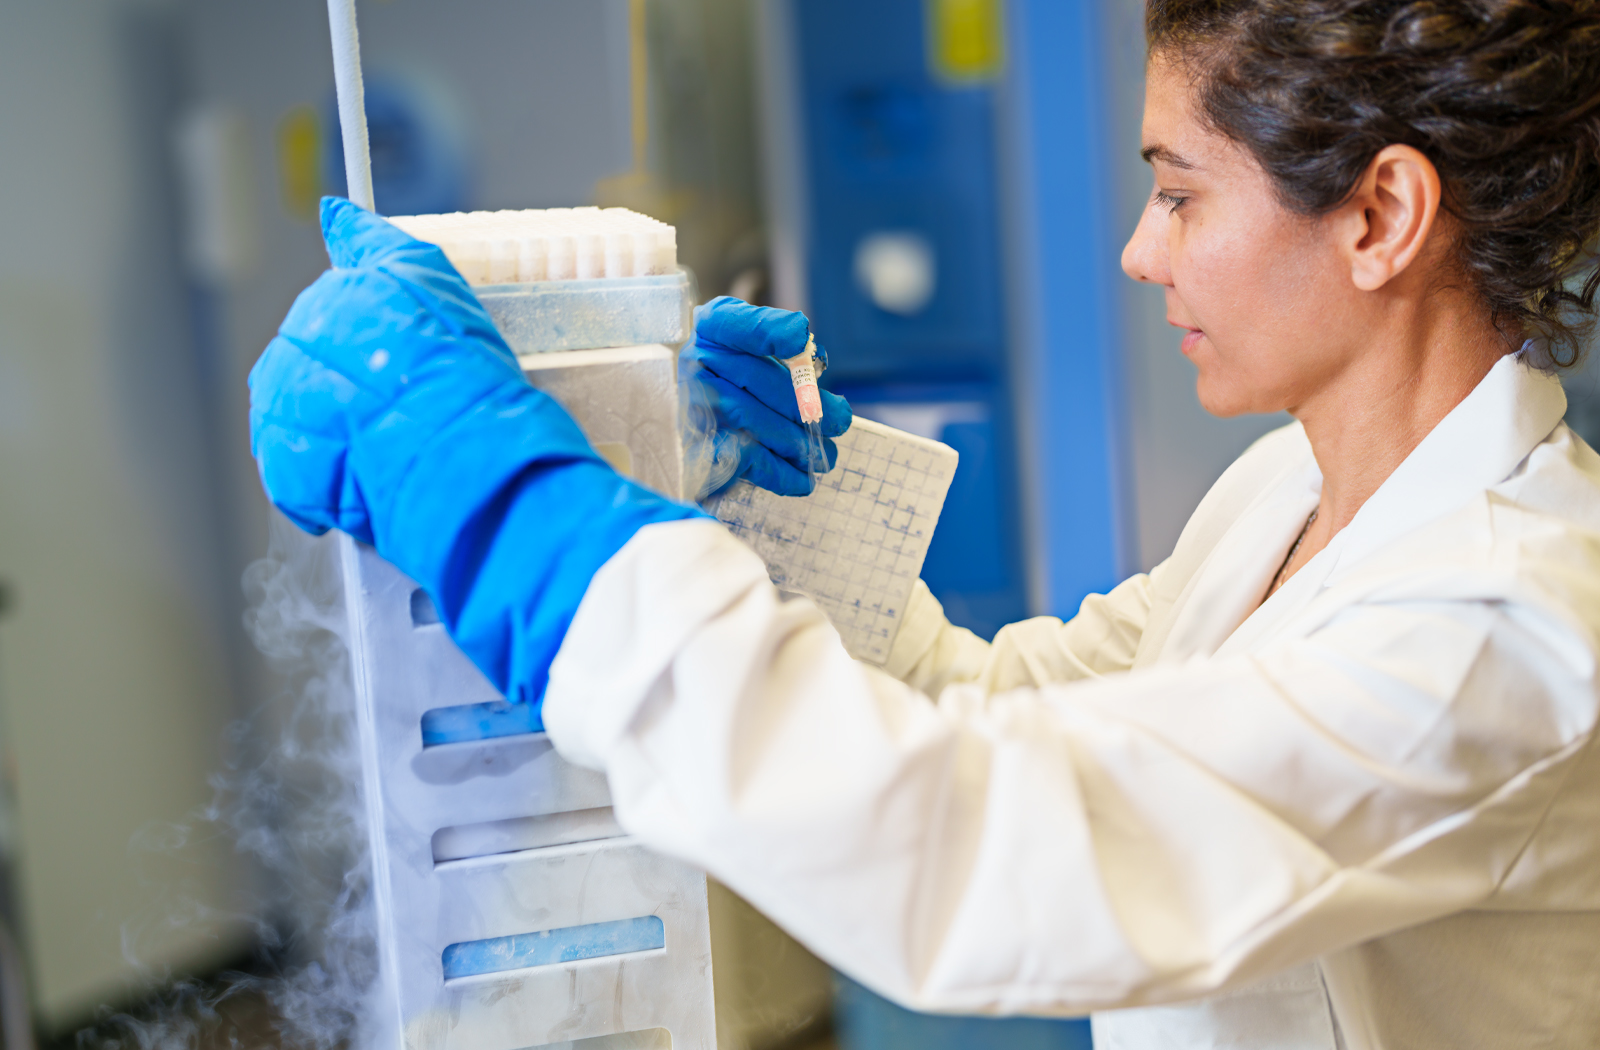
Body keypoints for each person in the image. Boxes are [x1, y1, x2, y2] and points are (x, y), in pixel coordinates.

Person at [248, 0, 1600, 1045]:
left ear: (1380, 215)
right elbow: (1001, 706)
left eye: (1182, 195)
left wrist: (532, 531)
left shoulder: (1503, 623)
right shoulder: (1290, 493)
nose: (1142, 249)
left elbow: (986, 838)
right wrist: (769, 507)